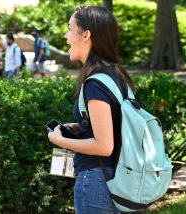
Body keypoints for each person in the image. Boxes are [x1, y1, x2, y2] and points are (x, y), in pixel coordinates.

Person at [47, 6, 136, 214]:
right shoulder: (116, 75)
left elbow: (104, 146)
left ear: (86, 35)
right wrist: (82, 127)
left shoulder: (95, 84)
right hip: (119, 179)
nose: (66, 36)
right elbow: (115, 125)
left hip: (97, 181)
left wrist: (59, 140)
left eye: (70, 28)